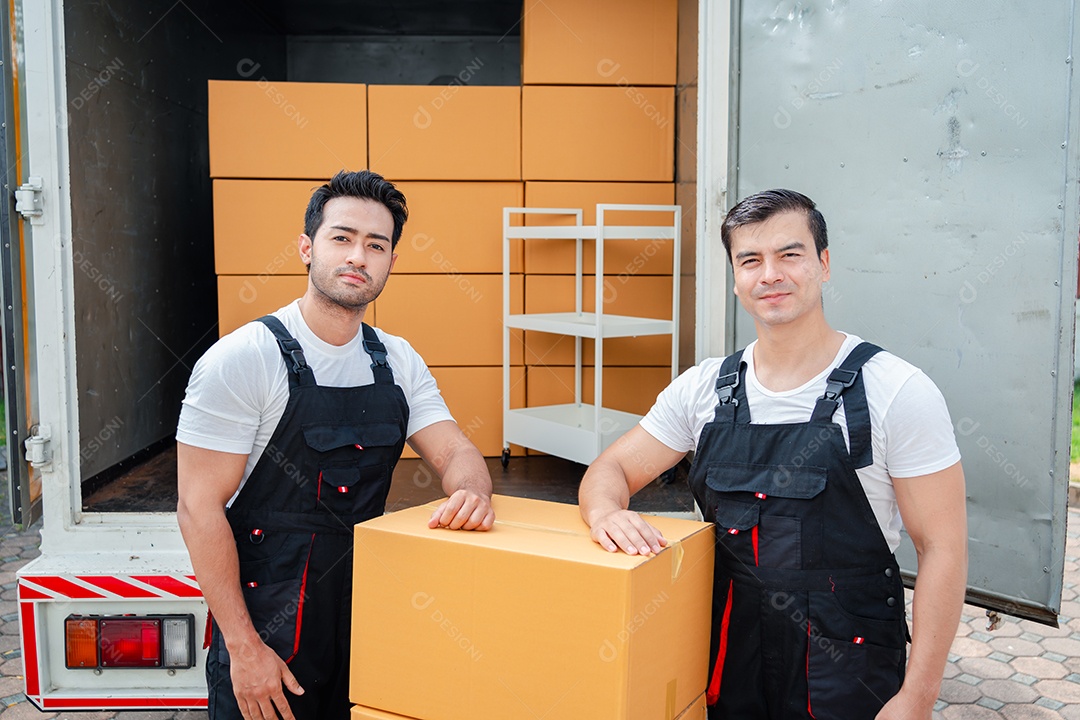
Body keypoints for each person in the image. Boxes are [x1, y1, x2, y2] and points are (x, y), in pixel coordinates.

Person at [579, 189, 966, 720]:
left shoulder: (895, 391)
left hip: (847, 672)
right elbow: (612, 468)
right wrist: (606, 511)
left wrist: (916, 699)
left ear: (824, 264)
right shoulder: (703, 389)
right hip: (727, 662)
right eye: (750, 260)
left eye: (790, 254)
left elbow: (943, 548)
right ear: (736, 278)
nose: (770, 275)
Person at [176, 170, 495, 720]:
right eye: (341, 238)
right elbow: (197, 508)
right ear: (307, 247)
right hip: (270, 625)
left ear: (392, 261)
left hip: (368, 617)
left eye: (377, 245)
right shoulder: (245, 358)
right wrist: (244, 650)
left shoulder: (396, 361)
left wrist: (472, 491)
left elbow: (455, 451)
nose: (359, 257)